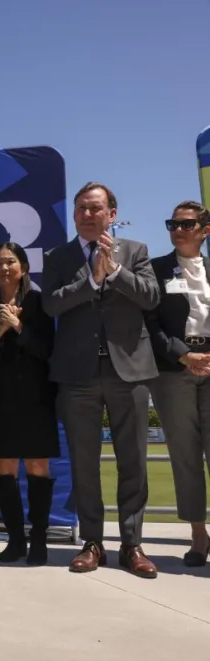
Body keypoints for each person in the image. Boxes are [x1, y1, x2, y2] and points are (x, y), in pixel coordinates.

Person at [41, 181, 160, 578]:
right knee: (84, 463)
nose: (88, 214)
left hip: (130, 371)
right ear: (74, 214)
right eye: (81, 208)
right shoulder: (58, 256)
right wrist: (91, 280)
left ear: (112, 214)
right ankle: (92, 543)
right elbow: (51, 303)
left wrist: (116, 271)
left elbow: (150, 297)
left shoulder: (136, 252)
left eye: (96, 208)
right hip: (78, 374)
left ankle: (132, 544)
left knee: (134, 462)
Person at [0, 242, 60, 566]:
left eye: (10, 261)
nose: (4, 268)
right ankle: (15, 539)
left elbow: (46, 350)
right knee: (5, 466)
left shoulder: (39, 302)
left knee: (38, 465)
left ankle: (39, 539)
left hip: (36, 394)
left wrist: (19, 327)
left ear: (23, 267)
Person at [144, 200, 210, 566]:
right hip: (174, 369)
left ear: (204, 230)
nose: (177, 230)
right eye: (172, 224)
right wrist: (185, 355)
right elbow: (150, 325)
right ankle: (199, 535)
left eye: (186, 224)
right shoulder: (156, 269)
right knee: (185, 456)